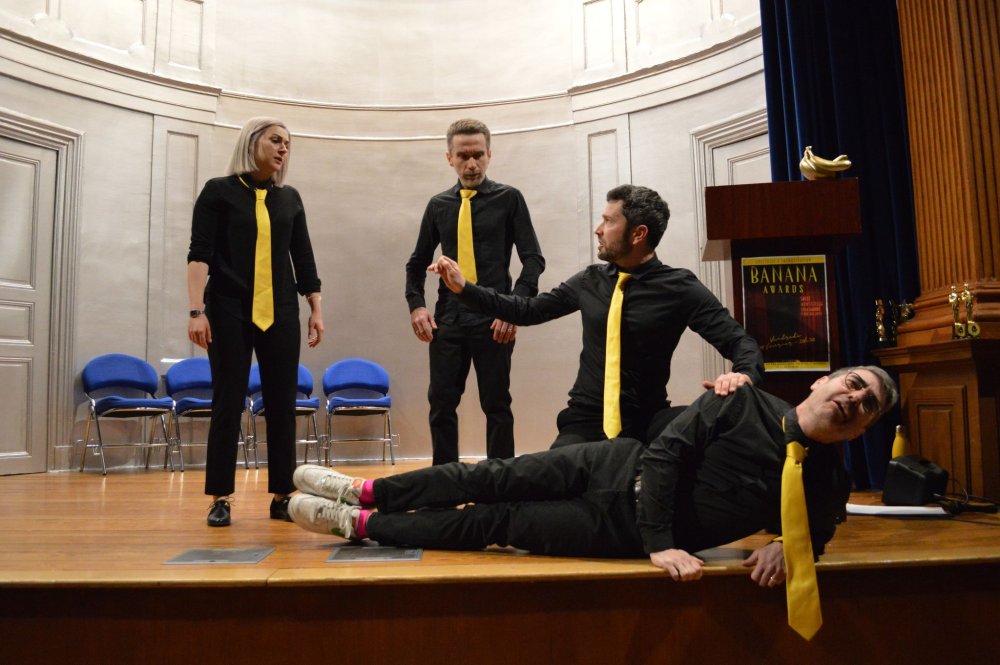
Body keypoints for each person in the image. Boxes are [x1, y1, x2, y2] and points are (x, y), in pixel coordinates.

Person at [287, 366, 897, 587]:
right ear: (823, 381)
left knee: (496, 525)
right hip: (611, 465)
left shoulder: (828, 482)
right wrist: (662, 542)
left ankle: (360, 525)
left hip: (614, 531)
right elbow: (666, 455)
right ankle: (364, 489)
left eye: (867, 404)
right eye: (852, 383)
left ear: (863, 428)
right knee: (489, 477)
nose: (853, 399)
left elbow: (819, 531)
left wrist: (792, 547)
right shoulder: (740, 400)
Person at [428, 184, 764, 448]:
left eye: (609, 221)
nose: (598, 229)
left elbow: (739, 341)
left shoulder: (680, 287)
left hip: (645, 420)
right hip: (584, 420)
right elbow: (526, 310)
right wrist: (464, 288)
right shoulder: (590, 280)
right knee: (552, 487)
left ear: (638, 234)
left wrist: (742, 375)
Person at [187, 116, 324, 527]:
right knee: (227, 399)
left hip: (280, 309)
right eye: (275, 140)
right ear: (251, 142)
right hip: (228, 307)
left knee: (282, 401)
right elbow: (199, 254)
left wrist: (315, 307)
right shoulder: (218, 192)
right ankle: (220, 497)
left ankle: (282, 495)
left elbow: (303, 257)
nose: (283, 149)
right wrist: (196, 311)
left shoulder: (289, 198)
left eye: (288, 144)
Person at [404, 119, 545, 465]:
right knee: (441, 404)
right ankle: (445, 481)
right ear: (449, 158)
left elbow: (533, 259)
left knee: (497, 405)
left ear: (489, 155)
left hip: (495, 320)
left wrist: (513, 309)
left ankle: (500, 483)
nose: (471, 164)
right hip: (448, 319)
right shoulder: (438, 205)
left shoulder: (509, 199)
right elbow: (416, 263)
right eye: (463, 156)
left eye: (478, 155)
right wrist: (417, 307)